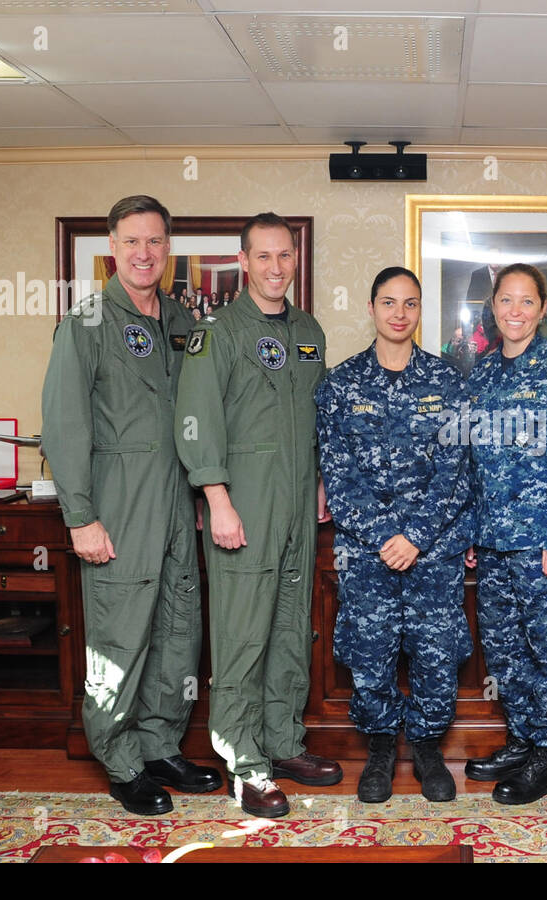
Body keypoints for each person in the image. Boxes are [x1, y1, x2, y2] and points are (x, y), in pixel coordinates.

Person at [41, 194, 220, 815]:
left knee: (177, 626)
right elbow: (64, 427)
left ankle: (159, 743)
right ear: (113, 248)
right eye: (132, 242)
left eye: (155, 242)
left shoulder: (182, 320)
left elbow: (200, 413)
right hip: (118, 503)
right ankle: (119, 759)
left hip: (177, 500)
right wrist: (80, 518)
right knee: (119, 635)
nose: (145, 253)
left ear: (168, 249)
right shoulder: (87, 323)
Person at [174, 212, 342, 818]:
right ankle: (243, 763)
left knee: (290, 629)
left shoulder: (308, 331)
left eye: (285, 256)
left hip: (298, 505)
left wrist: (321, 479)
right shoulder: (217, 332)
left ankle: (280, 741)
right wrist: (216, 499)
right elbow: (194, 420)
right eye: (263, 256)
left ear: (296, 261)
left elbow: (316, 418)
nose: (276, 267)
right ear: (243, 261)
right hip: (242, 504)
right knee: (243, 637)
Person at [316, 267, 473, 803]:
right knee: (370, 652)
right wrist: (387, 535)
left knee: (434, 653)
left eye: (410, 303)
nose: (399, 313)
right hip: (367, 552)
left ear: (420, 310)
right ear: (371, 307)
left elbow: (457, 470)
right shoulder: (340, 384)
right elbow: (338, 474)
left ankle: (428, 748)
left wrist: (417, 536)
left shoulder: (450, 381)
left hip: (434, 550)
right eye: (389, 302)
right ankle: (381, 747)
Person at [462, 263, 547, 804]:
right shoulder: (484, 373)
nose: (515, 311)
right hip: (495, 543)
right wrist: (473, 529)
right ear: (492, 308)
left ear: (543, 310)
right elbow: (474, 462)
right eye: (505, 301)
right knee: (505, 650)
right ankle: (522, 738)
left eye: (526, 302)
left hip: (546, 544)